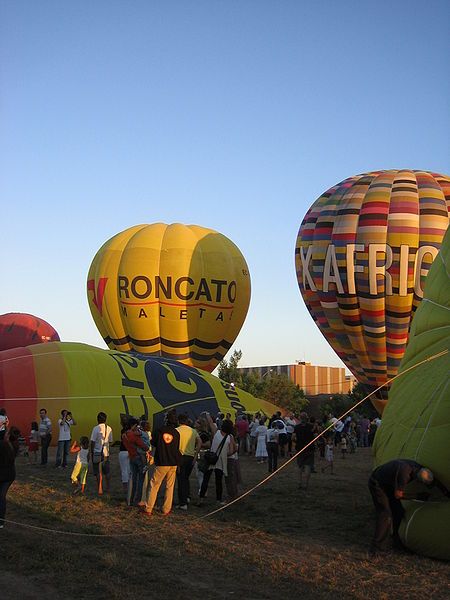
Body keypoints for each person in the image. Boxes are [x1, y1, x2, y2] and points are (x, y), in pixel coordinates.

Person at [368, 459, 450, 555]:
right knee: (386, 514)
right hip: (377, 483)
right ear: (418, 480)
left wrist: (446, 493)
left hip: (389, 483)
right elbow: (398, 495)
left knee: (398, 512)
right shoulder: (404, 474)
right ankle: (377, 548)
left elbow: (434, 482)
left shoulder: (422, 470)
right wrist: (418, 496)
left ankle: (395, 540)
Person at [144, 410, 181, 516]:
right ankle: (166, 509)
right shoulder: (176, 433)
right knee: (170, 486)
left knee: (154, 485)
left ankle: (148, 508)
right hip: (173, 462)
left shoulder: (159, 431)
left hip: (162, 462)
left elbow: (153, 442)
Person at [198, 420, 235, 505]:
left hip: (211, 459)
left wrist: (207, 415)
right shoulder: (230, 437)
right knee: (218, 481)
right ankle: (218, 500)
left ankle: (201, 499)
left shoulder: (216, 432)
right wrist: (224, 454)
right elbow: (232, 451)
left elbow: (211, 423)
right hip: (221, 461)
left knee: (206, 480)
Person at [176, 413, 202, 510]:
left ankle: (182, 503)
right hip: (190, 457)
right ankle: (187, 497)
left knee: (181, 479)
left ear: (178, 421)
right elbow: (200, 442)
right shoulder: (193, 431)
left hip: (180, 457)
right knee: (186, 478)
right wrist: (195, 454)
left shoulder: (176, 431)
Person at [122, 418, 149, 506]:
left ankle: (130, 498)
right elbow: (144, 447)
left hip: (131, 457)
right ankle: (139, 499)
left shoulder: (124, 435)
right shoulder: (134, 435)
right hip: (140, 458)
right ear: (133, 425)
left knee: (133, 478)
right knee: (141, 479)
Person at [0, 426, 20, 528]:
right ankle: (1, 521)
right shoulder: (15, 445)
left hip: (3, 475)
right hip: (10, 475)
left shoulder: (3, 445)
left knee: (1, 497)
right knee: (2, 497)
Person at [90, 412, 113, 495]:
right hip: (106, 453)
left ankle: (100, 488)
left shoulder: (95, 428)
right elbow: (110, 441)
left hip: (97, 452)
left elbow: (92, 441)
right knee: (107, 471)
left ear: (97, 419)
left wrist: (91, 452)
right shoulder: (109, 428)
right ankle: (108, 487)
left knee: (98, 471)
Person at [293, 412, 315, 490]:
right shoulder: (311, 427)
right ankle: (306, 484)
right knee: (308, 466)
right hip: (309, 448)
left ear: (300, 418)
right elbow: (315, 435)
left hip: (300, 448)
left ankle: (299, 483)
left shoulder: (297, 427)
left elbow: (293, 438)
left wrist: (297, 441)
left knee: (300, 466)